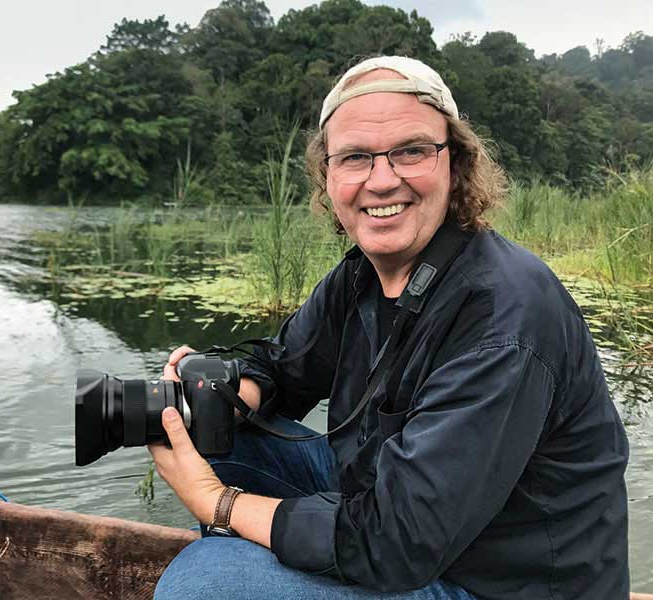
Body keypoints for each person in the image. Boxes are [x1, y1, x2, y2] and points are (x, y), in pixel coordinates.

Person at [148, 56, 630, 600]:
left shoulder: (504, 316)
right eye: (355, 157)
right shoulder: (361, 276)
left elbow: (396, 542)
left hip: (495, 582)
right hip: (394, 509)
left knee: (207, 582)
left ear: (456, 165)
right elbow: (283, 366)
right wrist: (221, 393)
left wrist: (218, 503)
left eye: (411, 151)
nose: (382, 181)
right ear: (329, 177)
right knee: (218, 436)